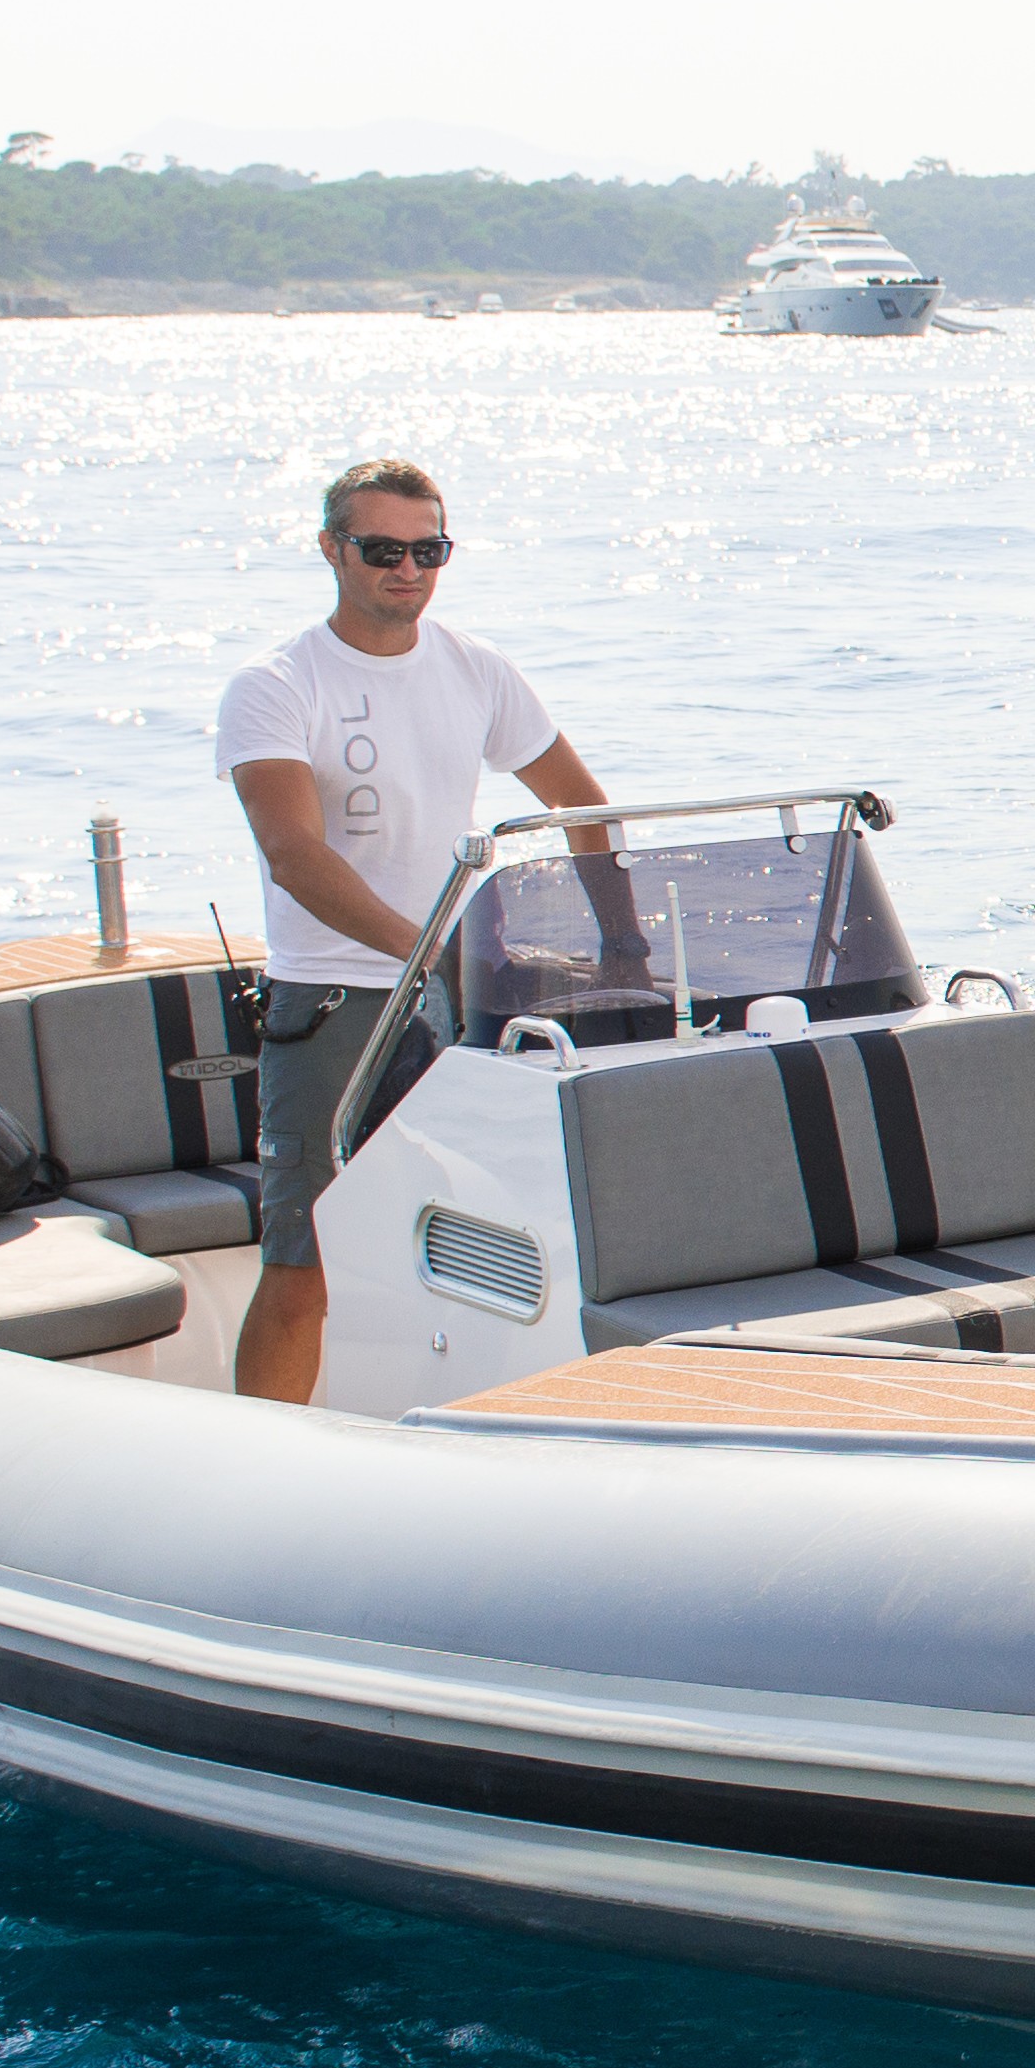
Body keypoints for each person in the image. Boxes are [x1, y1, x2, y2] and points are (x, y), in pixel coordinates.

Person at [211, 456, 610, 1404]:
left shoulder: (477, 668)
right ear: (331, 549)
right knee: (303, 1262)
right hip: (335, 1004)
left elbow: (582, 810)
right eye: (383, 549)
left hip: (455, 1005)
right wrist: (431, 951)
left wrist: (620, 948)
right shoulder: (275, 685)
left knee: (502, 1242)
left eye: (428, 551)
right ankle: (249, 1459)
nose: (408, 570)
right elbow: (293, 855)